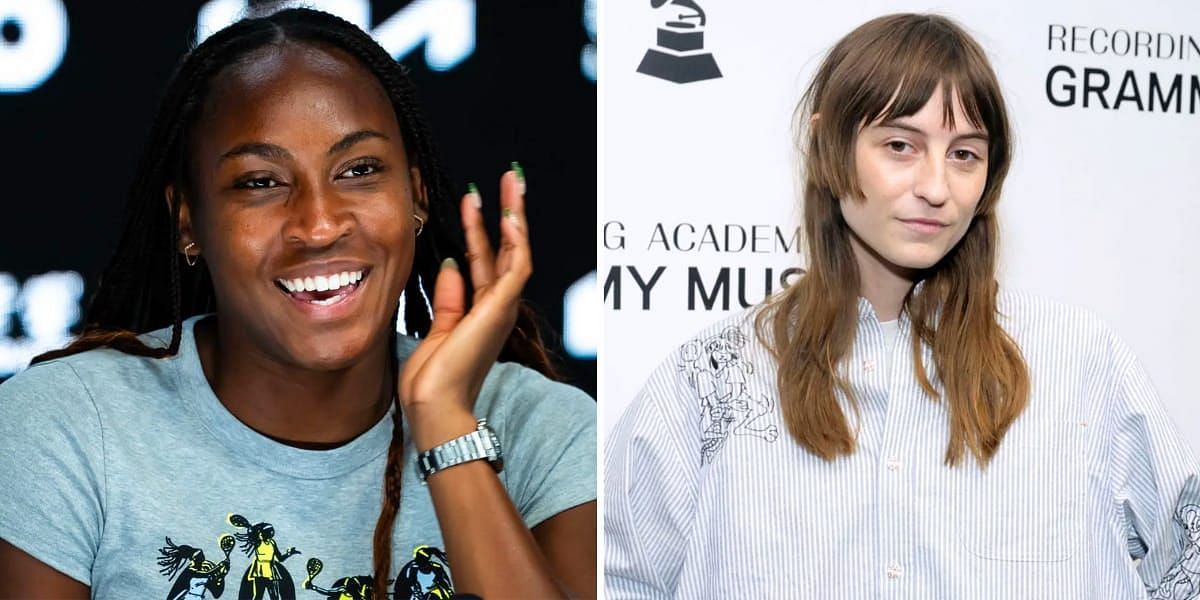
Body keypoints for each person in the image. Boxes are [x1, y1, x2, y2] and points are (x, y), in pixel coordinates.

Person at [0, 8, 595, 599]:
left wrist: (444, 421)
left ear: (414, 194)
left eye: (359, 170)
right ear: (189, 218)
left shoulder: (542, 430)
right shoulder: (66, 427)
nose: (317, 224)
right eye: (260, 181)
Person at [605, 13, 1199, 598]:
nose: (937, 188)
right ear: (827, 146)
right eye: (900, 145)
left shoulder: (1077, 362)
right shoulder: (713, 377)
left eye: (965, 154)